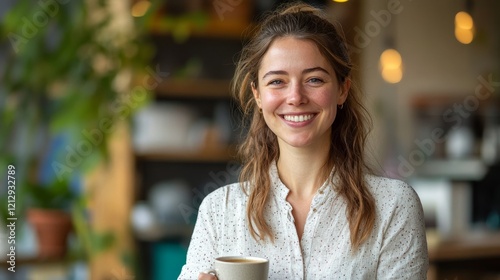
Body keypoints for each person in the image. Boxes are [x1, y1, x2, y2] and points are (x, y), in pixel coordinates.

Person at [178, 2, 428, 279]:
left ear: (343, 89)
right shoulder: (219, 211)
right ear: (257, 94)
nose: (296, 97)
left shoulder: (393, 206)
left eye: (314, 80)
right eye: (277, 82)